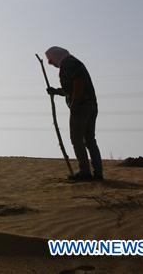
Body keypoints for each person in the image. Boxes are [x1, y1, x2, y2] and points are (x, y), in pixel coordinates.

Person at [45, 46, 103, 182]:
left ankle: (85, 172)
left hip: (81, 106)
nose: (50, 63)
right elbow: (70, 89)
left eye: (50, 59)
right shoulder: (72, 62)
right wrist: (56, 91)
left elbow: (78, 84)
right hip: (90, 105)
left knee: (77, 139)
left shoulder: (68, 64)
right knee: (89, 140)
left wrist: (75, 104)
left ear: (56, 55)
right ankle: (98, 173)